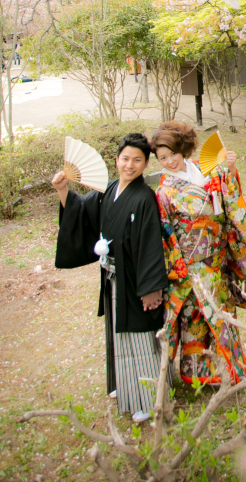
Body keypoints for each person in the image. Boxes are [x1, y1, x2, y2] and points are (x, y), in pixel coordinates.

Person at [51, 132, 168, 421]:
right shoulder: (109, 189)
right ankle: (125, 387)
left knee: (139, 335)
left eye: (137, 160)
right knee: (118, 334)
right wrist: (63, 191)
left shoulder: (144, 198)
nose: (130, 165)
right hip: (112, 274)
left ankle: (146, 398)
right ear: (116, 160)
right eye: (125, 159)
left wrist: (152, 288)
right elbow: (81, 212)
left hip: (136, 277)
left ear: (145, 163)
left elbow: (151, 243)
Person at [150, 121, 246, 388]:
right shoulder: (164, 191)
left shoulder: (203, 168)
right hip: (190, 263)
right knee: (194, 316)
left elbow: (227, 193)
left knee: (222, 315)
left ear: (183, 149)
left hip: (216, 258)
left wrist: (230, 168)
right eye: (162, 158)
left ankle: (234, 370)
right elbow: (166, 232)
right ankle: (197, 373)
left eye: (173, 155)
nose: (169, 162)